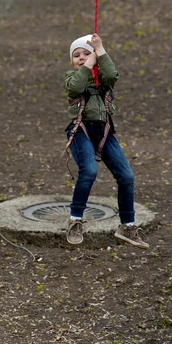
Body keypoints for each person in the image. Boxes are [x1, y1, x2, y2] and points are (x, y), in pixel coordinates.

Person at [64, 33, 149, 249]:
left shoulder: (103, 79)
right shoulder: (71, 78)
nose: (81, 58)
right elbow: (75, 88)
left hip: (104, 131)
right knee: (89, 171)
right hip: (80, 130)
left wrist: (100, 50)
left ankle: (127, 225)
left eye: (86, 53)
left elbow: (112, 74)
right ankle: (75, 220)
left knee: (127, 175)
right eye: (77, 55)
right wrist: (89, 64)